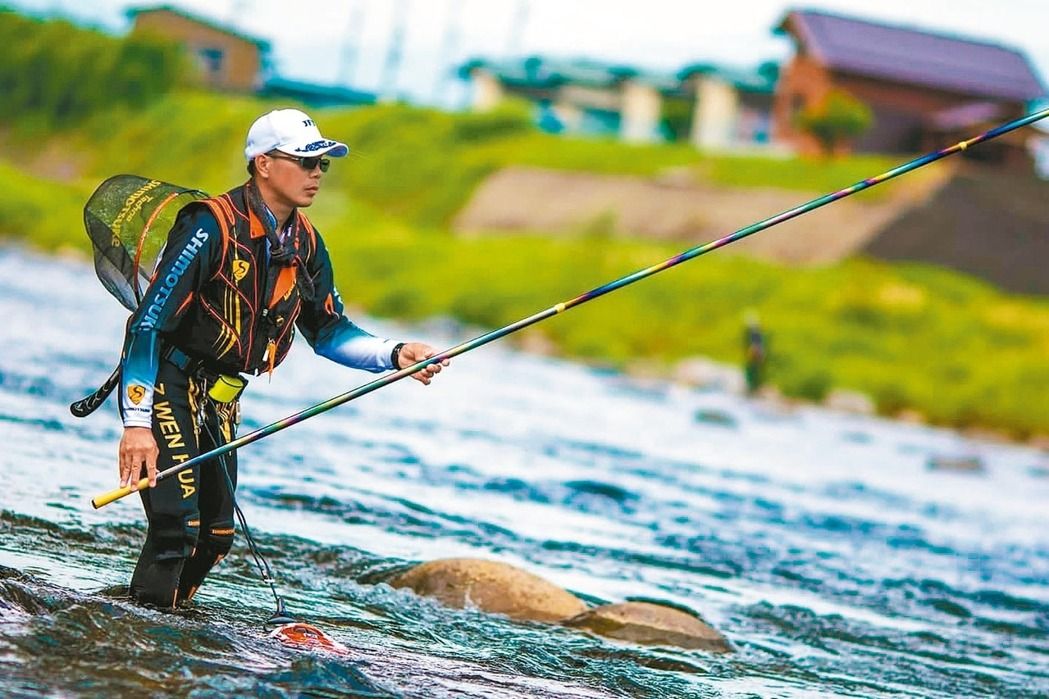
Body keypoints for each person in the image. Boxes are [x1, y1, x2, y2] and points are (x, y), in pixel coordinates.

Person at [116, 108, 448, 609]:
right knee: (176, 529)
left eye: (322, 166)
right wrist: (137, 424)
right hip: (166, 383)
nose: (316, 174)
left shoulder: (307, 243)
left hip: (221, 398)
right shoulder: (209, 226)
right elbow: (147, 324)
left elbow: (328, 329)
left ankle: (159, 621)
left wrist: (397, 354)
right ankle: (139, 635)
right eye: (304, 162)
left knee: (216, 538)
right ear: (263, 164)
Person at [743, 311, 766, 396]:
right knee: (753, 371)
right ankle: (753, 387)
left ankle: (753, 388)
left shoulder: (754, 332)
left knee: (753, 371)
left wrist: (754, 352)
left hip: (754, 354)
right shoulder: (756, 331)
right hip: (755, 355)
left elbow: (756, 345)